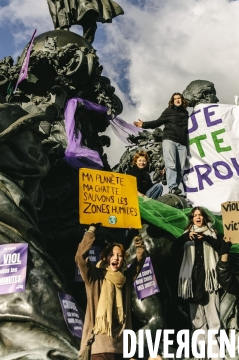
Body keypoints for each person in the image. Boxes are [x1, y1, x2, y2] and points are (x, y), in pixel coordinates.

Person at [75, 224, 145, 360]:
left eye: (119, 255)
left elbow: (140, 260)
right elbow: (80, 257)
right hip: (99, 347)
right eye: (112, 255)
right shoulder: (94, 276)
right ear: (105, 258)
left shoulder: (125, 279)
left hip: (123, 348)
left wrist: (137, 237)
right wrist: (91, 230)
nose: (116, 258)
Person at [173, 207, 223, 357]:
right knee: (197, 321)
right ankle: (202, 354)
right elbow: (174, 250)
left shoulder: (212, 233)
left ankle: (215, 355)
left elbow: (221, 248)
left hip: (209, 280)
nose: (198, 217)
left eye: (200, 215)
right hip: (192, 281)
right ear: (192, 219)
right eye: (195, 215)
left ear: (204, 218)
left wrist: (207, 238)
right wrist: (186, 237)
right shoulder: (186, 236)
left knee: (213, 320)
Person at [134, 93, 189, 195]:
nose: (177, 100)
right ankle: (172, 186)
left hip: (182, 143)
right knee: (171, 164)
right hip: (170, 139)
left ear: (182, 100)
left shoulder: (185, 113)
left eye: (179, 98)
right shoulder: (169, 111)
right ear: (172, 101)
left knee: (180, 168)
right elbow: (157, 122)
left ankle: (174, 192)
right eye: (175, 99)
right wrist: (144, 124)